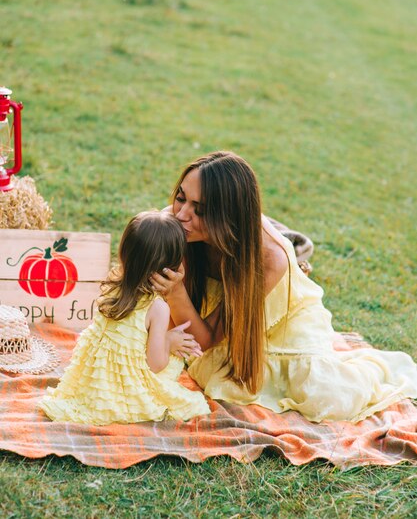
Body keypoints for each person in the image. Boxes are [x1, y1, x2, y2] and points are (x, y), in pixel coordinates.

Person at [150, 151, 417, 423]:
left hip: (285, 320)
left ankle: (378, 370)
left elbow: (203, 341)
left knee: (326, 396)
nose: (182, 214)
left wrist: (175, 291)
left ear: (227, 216)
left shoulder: (267, 258)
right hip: (225, 318)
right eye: (181, 198)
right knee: (212, 373)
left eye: (201, 210)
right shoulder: (176, 223)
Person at [40, 211, 210, 425]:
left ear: (124, 253)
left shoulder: (113, 284)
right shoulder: (157, 307)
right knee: (184, 396)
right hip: (123, 386)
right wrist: (169, 340)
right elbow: (155, 364)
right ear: (172, 265)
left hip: (94, 379)